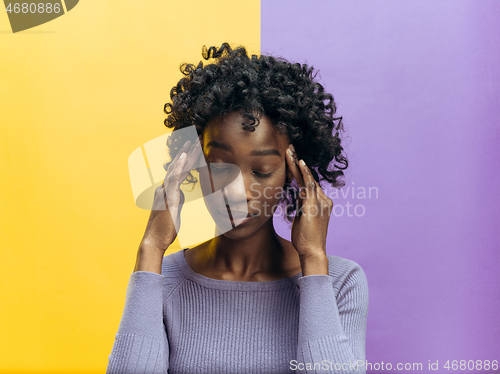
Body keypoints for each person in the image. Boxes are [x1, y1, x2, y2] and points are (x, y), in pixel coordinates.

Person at [106, 43, 368, 374]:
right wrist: (150, 249)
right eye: (218, 165)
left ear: (295, 173)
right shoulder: (161, 280)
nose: (237, 192)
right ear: (193, 163)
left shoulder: (339, 282)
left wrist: (314, 260)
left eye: (261, 171)